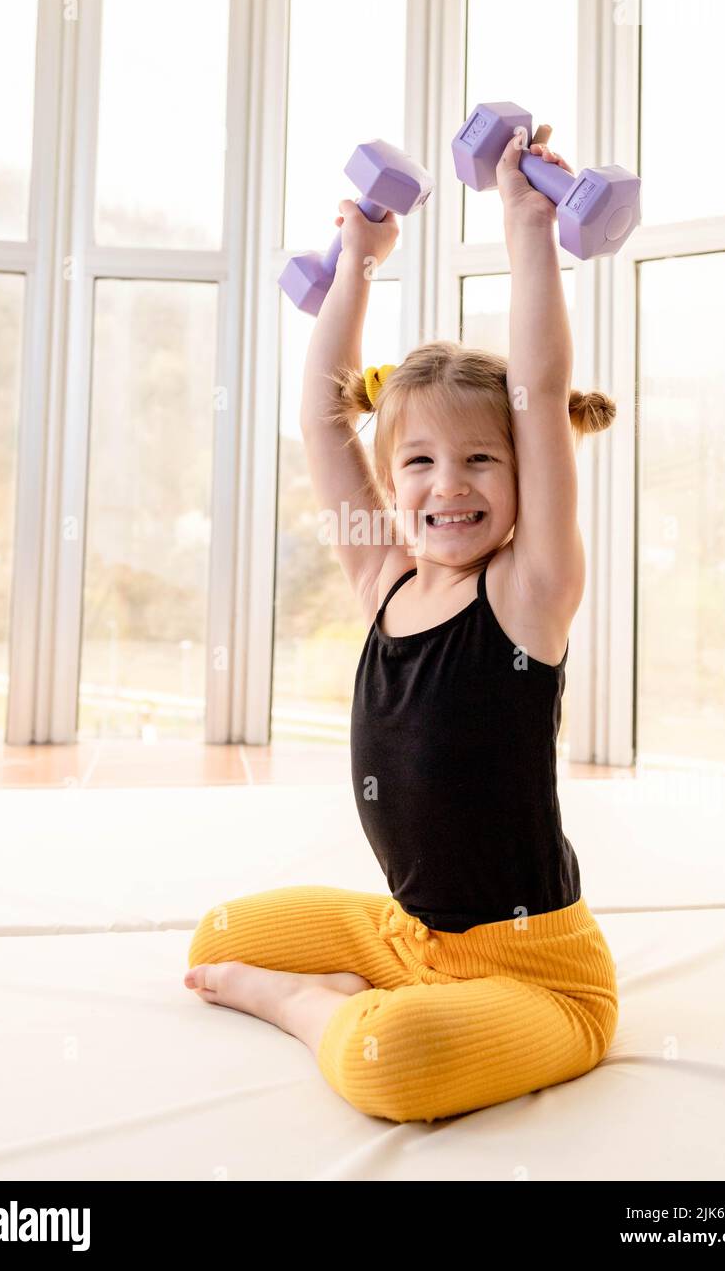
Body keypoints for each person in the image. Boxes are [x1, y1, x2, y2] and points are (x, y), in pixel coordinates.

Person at [183, 124, 619, 1124]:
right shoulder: (382, 575)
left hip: (540, 973)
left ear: (520, 477)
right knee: (214, 937)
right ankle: (377, 982)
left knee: (387, 1062)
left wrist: (522, 221)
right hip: (405, 932)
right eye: (418, 461)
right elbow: (322, 418)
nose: (447, 485)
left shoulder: (525, 592)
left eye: (481, 460)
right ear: (390, 481)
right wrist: (357, 266)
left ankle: (312, 1009)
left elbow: (538, 391)